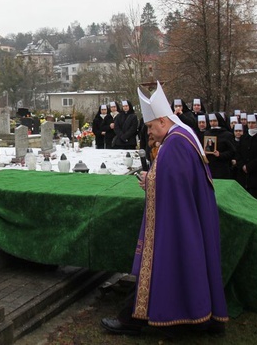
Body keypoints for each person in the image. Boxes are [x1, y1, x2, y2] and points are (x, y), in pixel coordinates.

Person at [101, 82, 227, 337]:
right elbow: (177, 180)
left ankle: (147, 318)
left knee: (166, 265)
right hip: (189, 218)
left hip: (175, 222)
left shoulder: (174, 144)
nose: (149, 133)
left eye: (150, 127)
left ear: (161, 121)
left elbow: (172, 183)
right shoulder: (185, 135)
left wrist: (148, 180)